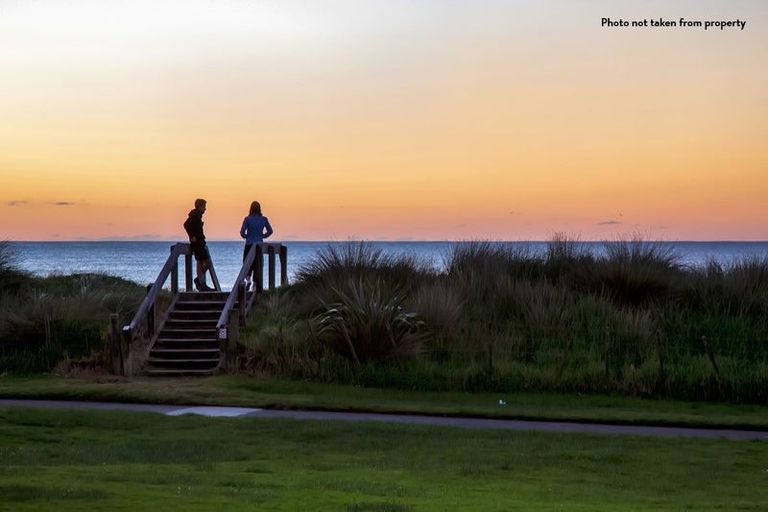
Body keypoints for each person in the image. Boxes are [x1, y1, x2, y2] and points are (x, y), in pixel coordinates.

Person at [240, 201, 274, 290]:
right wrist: (262, 235)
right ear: (259, 209)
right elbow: (270, 231)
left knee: (247, 263)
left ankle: (248, 279)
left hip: (249, 244)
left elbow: (242, 233)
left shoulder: (247, 219)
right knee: (257, 264)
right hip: (259, 245)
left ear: (251, 208)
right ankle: (255, 285)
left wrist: (246, 236)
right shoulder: (264, 219)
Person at [183, 198, 213, 292]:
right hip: (197, 243)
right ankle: (200, 282)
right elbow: (186, 225)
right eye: (204, 207)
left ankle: (199, 281)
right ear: (199, 207)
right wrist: (192, 236)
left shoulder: (197, 215)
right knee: (204, 262)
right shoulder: (195, 215)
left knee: (203, 263)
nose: (205, 209)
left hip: (200, 242)